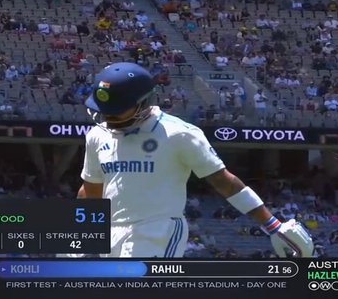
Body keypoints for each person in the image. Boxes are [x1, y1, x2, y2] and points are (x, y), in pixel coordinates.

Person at [75, 62, 314, 258]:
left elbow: (225, 182)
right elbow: (91, 190)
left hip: (157, 229)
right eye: (105, 109)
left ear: (143, 102)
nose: (107, 116)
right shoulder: (97, 135)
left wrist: (271, 224)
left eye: (116, 110)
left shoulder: (179, 133)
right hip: (110, 232)